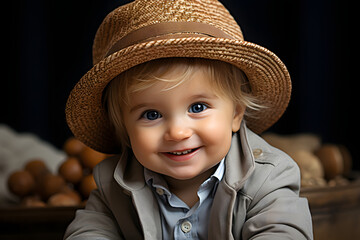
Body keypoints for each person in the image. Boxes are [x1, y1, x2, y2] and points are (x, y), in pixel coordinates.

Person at [64, 0, 313, 239]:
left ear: (236, 114)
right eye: (151, 115)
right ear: (125, 130)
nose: (178, 132)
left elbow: (284, 232)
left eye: (197, 107)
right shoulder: (113, 185)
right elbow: (89, 232)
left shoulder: (269, 177)